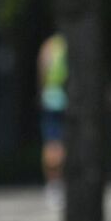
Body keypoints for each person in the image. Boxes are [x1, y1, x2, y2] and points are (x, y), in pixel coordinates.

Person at [38, 32, 67, 209]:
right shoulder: (67, 47)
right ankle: (58, 183)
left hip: (50, 98)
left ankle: (53, 184)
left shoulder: (49, 46)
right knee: (60, 146)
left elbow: (41, 74)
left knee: (51, 144)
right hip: (67, 100)